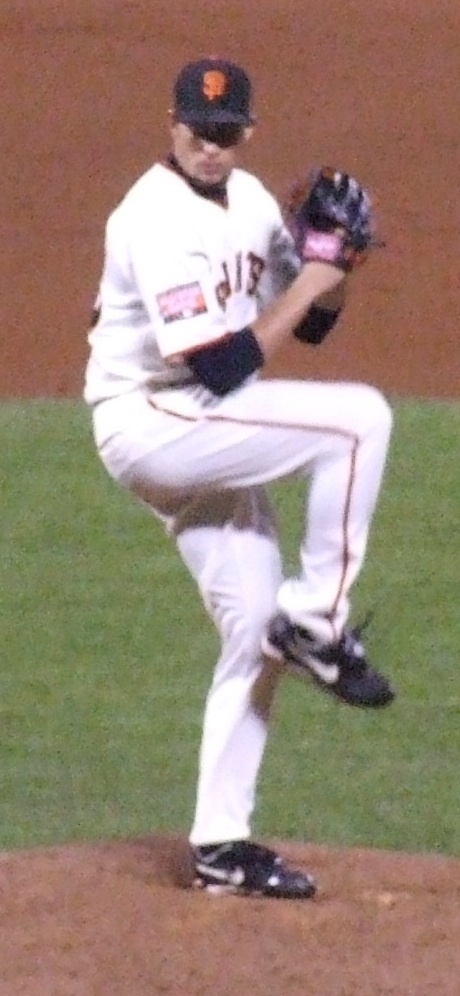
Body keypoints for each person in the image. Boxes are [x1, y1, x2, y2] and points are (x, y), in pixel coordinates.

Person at [83, 56, 395, 901]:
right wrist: (316, 278)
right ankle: (319, 620)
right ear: (172, 123)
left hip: (197, 426)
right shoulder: (152, 217)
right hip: (153, 421)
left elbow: (313, 323)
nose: (210, 146)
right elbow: (220, 367)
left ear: (246, 132)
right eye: (197, 129)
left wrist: (336, 265)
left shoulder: (252, 201)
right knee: (361, 421)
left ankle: (221, 846)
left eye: (225, 133)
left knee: (256, 628)